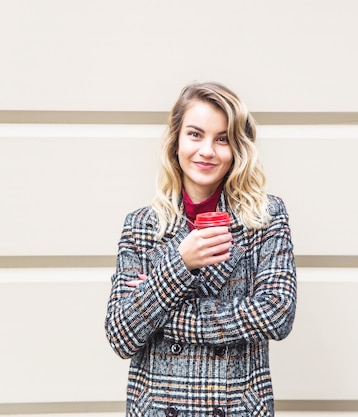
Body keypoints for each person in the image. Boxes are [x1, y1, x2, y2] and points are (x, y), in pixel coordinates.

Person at [105, 81, 297, 417]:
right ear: (176, 141)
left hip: (237, 408)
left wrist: (165, 313)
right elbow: (121, 334)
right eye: (195, 134)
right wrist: (181, 263)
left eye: (222, 138)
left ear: (237, 148)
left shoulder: (264, 218)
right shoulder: (141, 226)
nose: (207, 150)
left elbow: (277, 313)